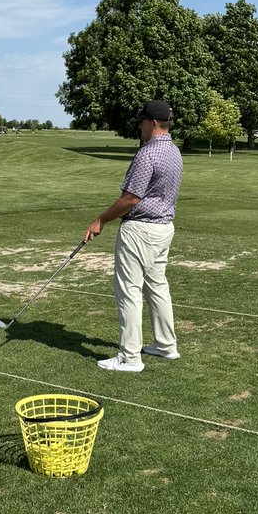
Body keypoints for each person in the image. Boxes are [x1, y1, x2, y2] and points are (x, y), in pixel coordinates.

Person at [83, 100, 182, 372]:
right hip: (164, 229)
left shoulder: (147, 153)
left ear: (152, 123)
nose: (138, 128)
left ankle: (130, 357)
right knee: (157, 286)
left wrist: (100, 220)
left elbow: (130, 198)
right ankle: (165, 345)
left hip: (140, 230)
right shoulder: (174, 151)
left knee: (129, 291)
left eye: (140, 123)